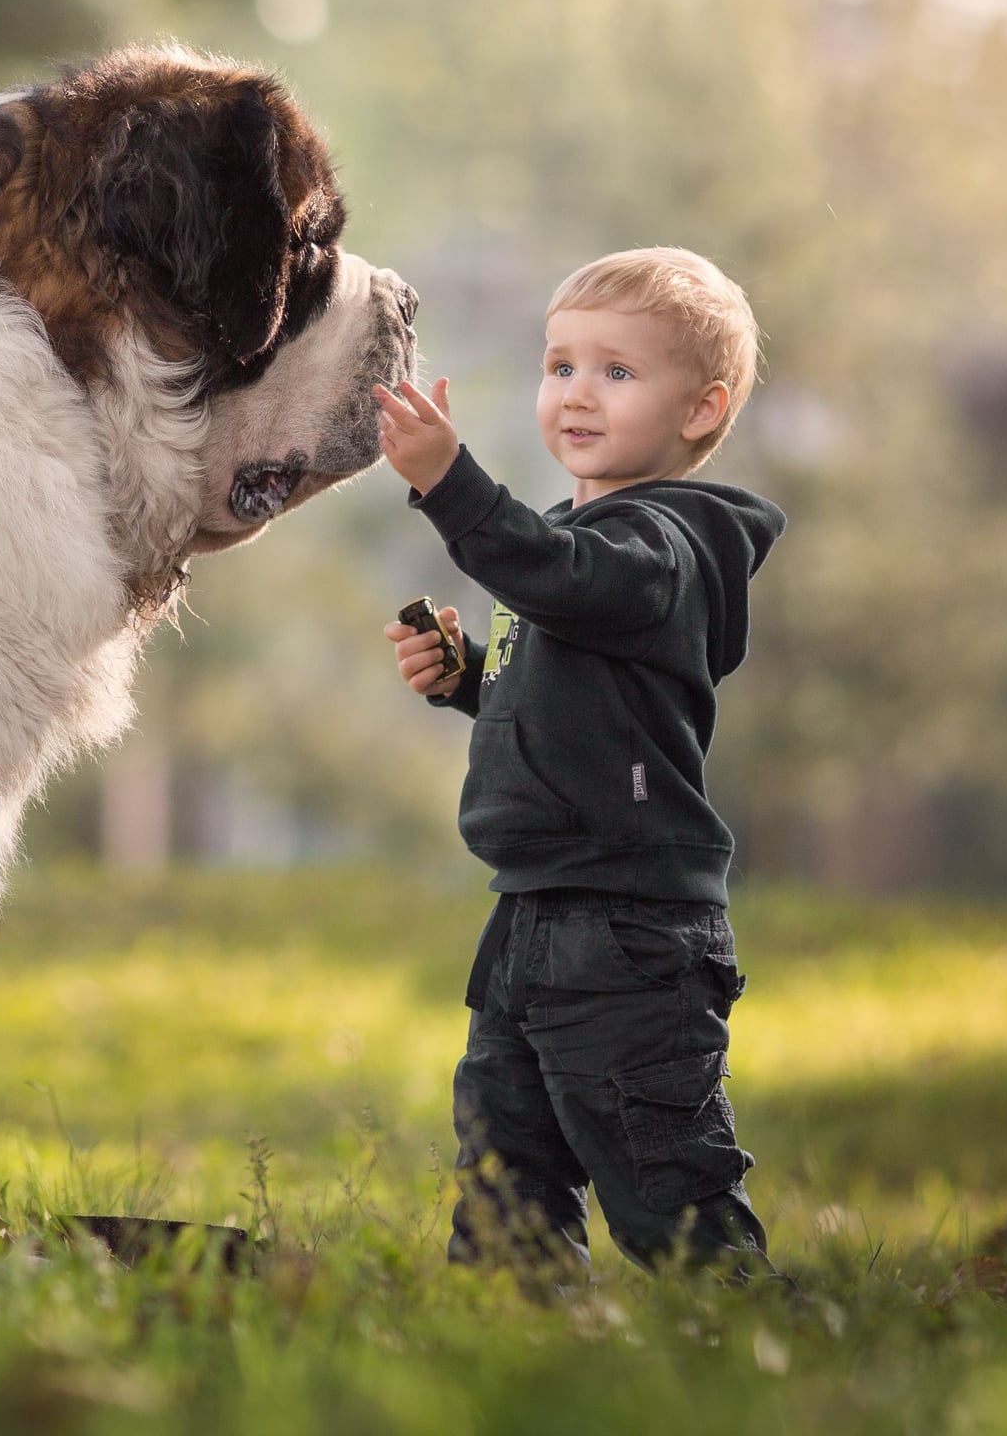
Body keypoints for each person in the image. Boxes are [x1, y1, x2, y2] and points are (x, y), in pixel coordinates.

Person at [376, 246, 784, 1278]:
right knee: (504, 1176)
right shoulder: (579, 544)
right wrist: (465, 675)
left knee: (665, 1187)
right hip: (530, 913)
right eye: (559, 365)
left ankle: (754, 1344)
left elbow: (565, 579)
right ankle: (521, 1343)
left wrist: (448, 483)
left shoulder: (668, 541)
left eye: (616, 371)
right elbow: (568, 678)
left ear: (701, 409)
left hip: (626, 928)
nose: (575, 393)